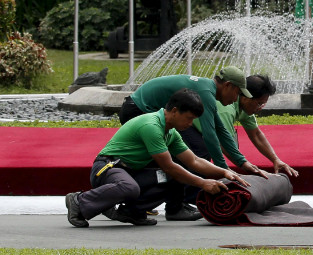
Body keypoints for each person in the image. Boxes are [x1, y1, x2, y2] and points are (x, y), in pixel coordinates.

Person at [65, 89, 250, 227]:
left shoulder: (171, 133)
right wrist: (203, 183)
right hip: (108, 168)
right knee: (137, 184)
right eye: (189, 118)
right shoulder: (151, 126)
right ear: (175, 111)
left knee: (171, 178)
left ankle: (131, 211)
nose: (190, 124)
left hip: (132, 172)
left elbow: (193, 161)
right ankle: (79, 201)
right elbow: (169, 166)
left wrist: (225, 172)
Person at [119, 67, 267, 181]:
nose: (236, 99)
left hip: (145, 110)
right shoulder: (206, 93)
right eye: (237, 93)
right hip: (137, 110)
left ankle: (167, 199)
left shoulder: (208, 90)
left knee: (185, 150)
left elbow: (220, 130)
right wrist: (223, 170)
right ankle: (185, 200)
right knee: (195, 149)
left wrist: (242, 162)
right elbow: (210, 136)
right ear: (228, 85)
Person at [208, 74, 299, 178]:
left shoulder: (245, 106)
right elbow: (223, 143)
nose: (260, 108)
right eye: (259, 104)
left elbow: (256, 134)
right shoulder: (226, 108)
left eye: (263, 105)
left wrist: (275, 160)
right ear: (245, 97)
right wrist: (247, 167)